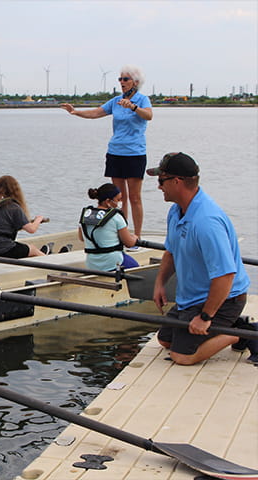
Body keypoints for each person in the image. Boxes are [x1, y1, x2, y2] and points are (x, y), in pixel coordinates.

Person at [148, 152, 250, 366]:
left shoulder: (206, 222)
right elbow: (171, 251)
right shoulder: (176, 211)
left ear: (177, 182)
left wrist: (205, 317)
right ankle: (222, 327)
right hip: (192, 298)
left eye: (161, 181)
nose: (159, 187)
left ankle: (238, 333)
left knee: (182, 356)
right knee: (165, 340)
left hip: (225, 300)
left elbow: (226, 275)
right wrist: (159, 284)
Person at [60, 65, 153, 240]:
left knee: (134, 197)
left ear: (135, 82)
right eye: (120, 79)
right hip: (115, 152)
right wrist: (75, 112)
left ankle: (137, 236)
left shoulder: (142, 100)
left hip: (134, 153)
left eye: (125, 79)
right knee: (119, 197)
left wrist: (133, 107)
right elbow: (96, 112)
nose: (122, 82)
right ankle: (122, 234)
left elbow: (148, 115)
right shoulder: (116, 101)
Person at [0, 175, 45, 258]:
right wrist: (38, 219)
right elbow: (31, 229)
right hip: (2, 250)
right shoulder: (13, 207)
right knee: (33, 249)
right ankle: (51, 262)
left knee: (23, 248)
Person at [78, 183, 139, 271]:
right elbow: (129, 243)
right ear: (108, 201)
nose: (120, 203)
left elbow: (82, 238)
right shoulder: (116, 217)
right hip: (113, 262)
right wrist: (135, 238)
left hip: (92, 264)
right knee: (137, 268)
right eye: (118, 200)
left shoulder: (86, 215)